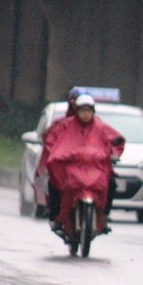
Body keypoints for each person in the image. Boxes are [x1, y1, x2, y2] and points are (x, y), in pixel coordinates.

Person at [38, 94, 125, 232]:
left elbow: (116, 140)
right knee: (54, 183)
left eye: (88, 111)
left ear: (93, 112)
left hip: (96, 168)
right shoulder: (65, 125)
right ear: (77, 111)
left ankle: (103, 215)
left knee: (111, 184)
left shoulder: (101, 127)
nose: (85, 114)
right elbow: (51, 139)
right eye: (82, 111)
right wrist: (57, 153)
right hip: (71, 168)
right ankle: (56, 216)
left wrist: (114, 154)